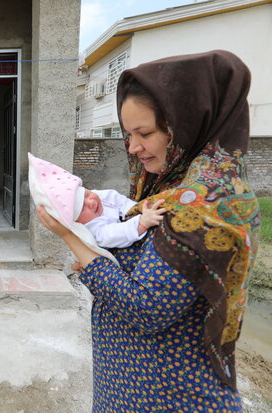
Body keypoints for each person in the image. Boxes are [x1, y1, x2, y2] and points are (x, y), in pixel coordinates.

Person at [37, 50, 259, 411]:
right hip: (134, 382)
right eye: (128, 134)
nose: (133, 147)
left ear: (187, 123)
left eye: (145, 132)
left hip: (167, 394)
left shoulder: (204, 205)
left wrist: (70, 238)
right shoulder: (166, 184)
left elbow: (146, 308)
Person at [28, 153, 166, 249]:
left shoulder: (100, 196)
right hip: (133, 240)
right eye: (82, 208)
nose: (91, 202)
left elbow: (119, 200)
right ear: (77, 222)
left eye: (86, 194)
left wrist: (136, 210)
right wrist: (142, 222)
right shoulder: (93, 229)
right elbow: (114, 234)